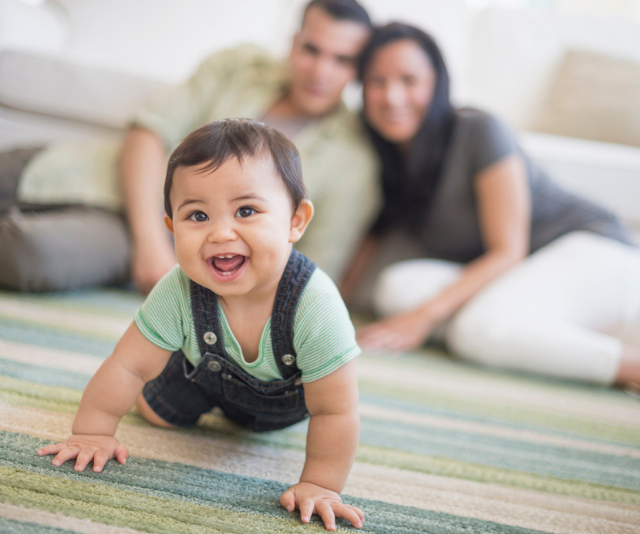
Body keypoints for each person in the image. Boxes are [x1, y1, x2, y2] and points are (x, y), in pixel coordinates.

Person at [37, 119, 364, 532]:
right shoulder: (177, 289)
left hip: (285, 405)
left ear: (296, 221)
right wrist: (92, 433)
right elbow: (127, 366)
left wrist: (320, 483)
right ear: (171, 227)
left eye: (246, 210)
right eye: (197, 215)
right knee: (156, 413)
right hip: (198, 378)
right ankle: (177, 381)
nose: (221, 232)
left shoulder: (315, 304)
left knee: (310, 415)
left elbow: (335, 409)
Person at [0, 0, 379, 293]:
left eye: (342, 60)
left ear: (358, 71)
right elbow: (148, 132)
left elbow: (310, 274)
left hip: (150, 237)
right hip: (85, 171)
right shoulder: (239, 65)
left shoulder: (353, 161)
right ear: (294, 43)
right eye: (312, 50)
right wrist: (151, 242)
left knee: (27, 256)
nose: (321, 71)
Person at [344, 22, 640, 388]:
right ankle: (523, 335)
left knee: (475, 330)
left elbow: (508, 251)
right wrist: (330, 310)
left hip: (593, 250)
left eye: (408, 80)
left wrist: (422, 319)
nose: (392, 96)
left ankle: (630, 365)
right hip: (517, 278)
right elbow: (370, 239)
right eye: (377, 81)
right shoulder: (386, 155)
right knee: (395, 289)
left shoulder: (479, 130)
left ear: (437, 83)